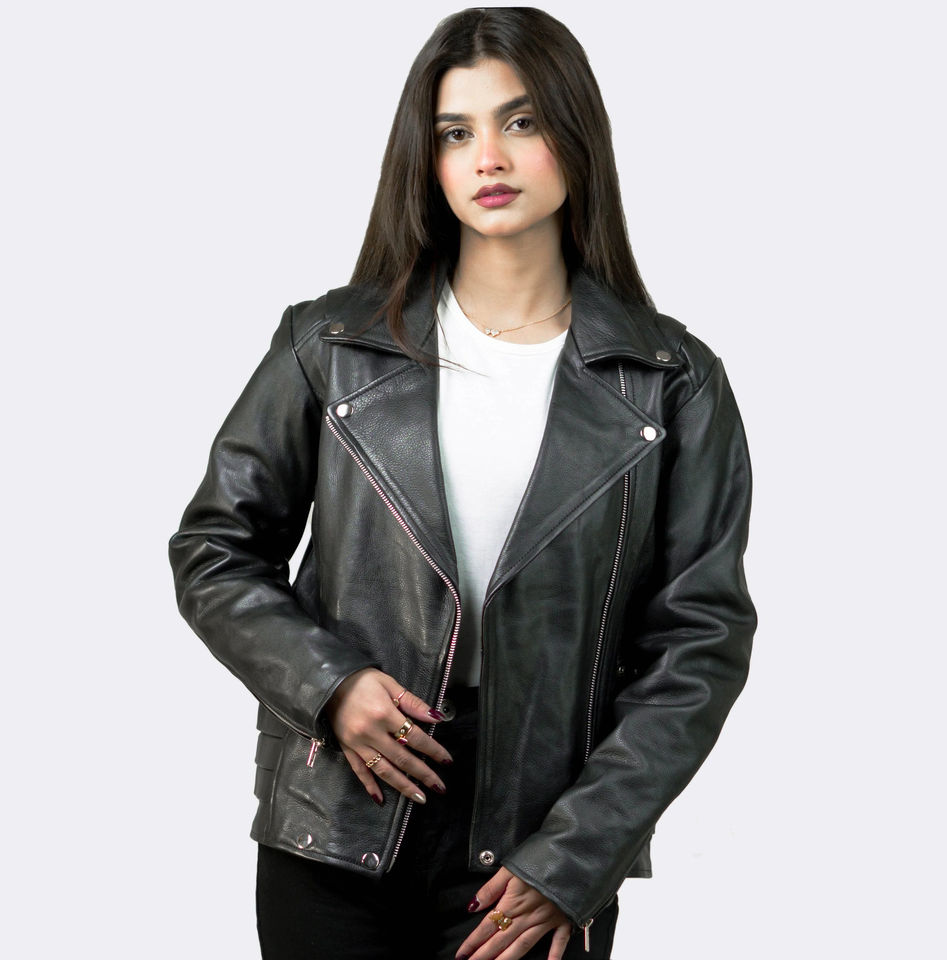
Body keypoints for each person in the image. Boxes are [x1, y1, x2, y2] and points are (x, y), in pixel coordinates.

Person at [168, 7, 757, 959]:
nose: (489, 157)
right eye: (455, 132)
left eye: (521, 122)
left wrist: (577, 857)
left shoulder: (672, 381)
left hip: (538, 838)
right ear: (428, 160)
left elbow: (700, 642)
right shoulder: (331, 346)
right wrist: (329, 685)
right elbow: (215, 550)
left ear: (576, 135)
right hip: (338, 813)